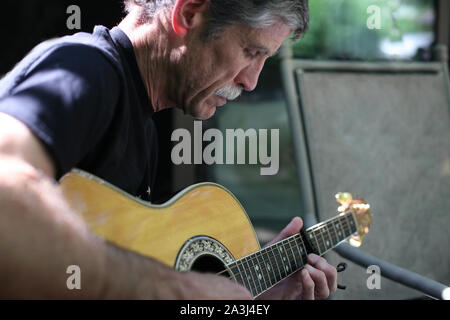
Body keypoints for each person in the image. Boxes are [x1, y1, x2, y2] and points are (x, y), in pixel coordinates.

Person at [0, 0, 337, 299]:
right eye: (251, 52)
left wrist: (252, 296)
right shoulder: (85, 70)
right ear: (189, 13)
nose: (251, 82)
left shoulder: (143, 123)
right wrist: (174, 288)